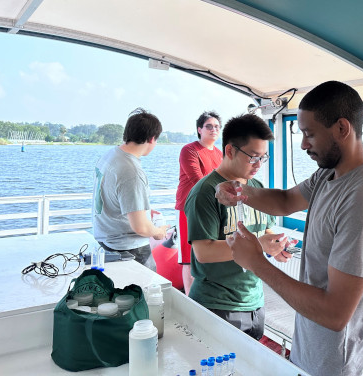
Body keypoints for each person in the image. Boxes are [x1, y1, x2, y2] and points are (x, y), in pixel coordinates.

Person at [218, 81, 363, 375]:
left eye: (309, 134)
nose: (303, 144)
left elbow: (336, 313)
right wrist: (241, 191)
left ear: (342, 128)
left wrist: (255, 263)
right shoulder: (329, 174)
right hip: (313, 349)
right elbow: (287, 200)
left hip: (337, 362)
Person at [184, 113, 293, 340]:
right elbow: (203, 252)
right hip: (217, 304)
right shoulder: (205, 192)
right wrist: (259, 246)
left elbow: (265, 229)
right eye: (253, 157)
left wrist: (275, 243)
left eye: (263, 158)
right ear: (230, 150)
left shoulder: (257, 187)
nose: (258, 165)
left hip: (254, 301)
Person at [92, 108, 170, 271]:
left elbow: (114, 197)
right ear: (151, 138)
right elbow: (140, 227)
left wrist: (143, 211)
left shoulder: (110, 155)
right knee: (145, 293)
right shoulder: (132, 172)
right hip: (129, 249)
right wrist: (158, 232)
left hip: (106, 241)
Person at [175, 111, 223, 295]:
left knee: (209, 253)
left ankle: (207, 295)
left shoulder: (219, 154)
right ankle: (190, 298)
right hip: (189, 208)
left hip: (212, 210)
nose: (213, 129)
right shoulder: (189, 150)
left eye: (217, 126)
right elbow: (199, 180)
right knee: (188, 257)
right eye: (209, 126)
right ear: (199, 129)